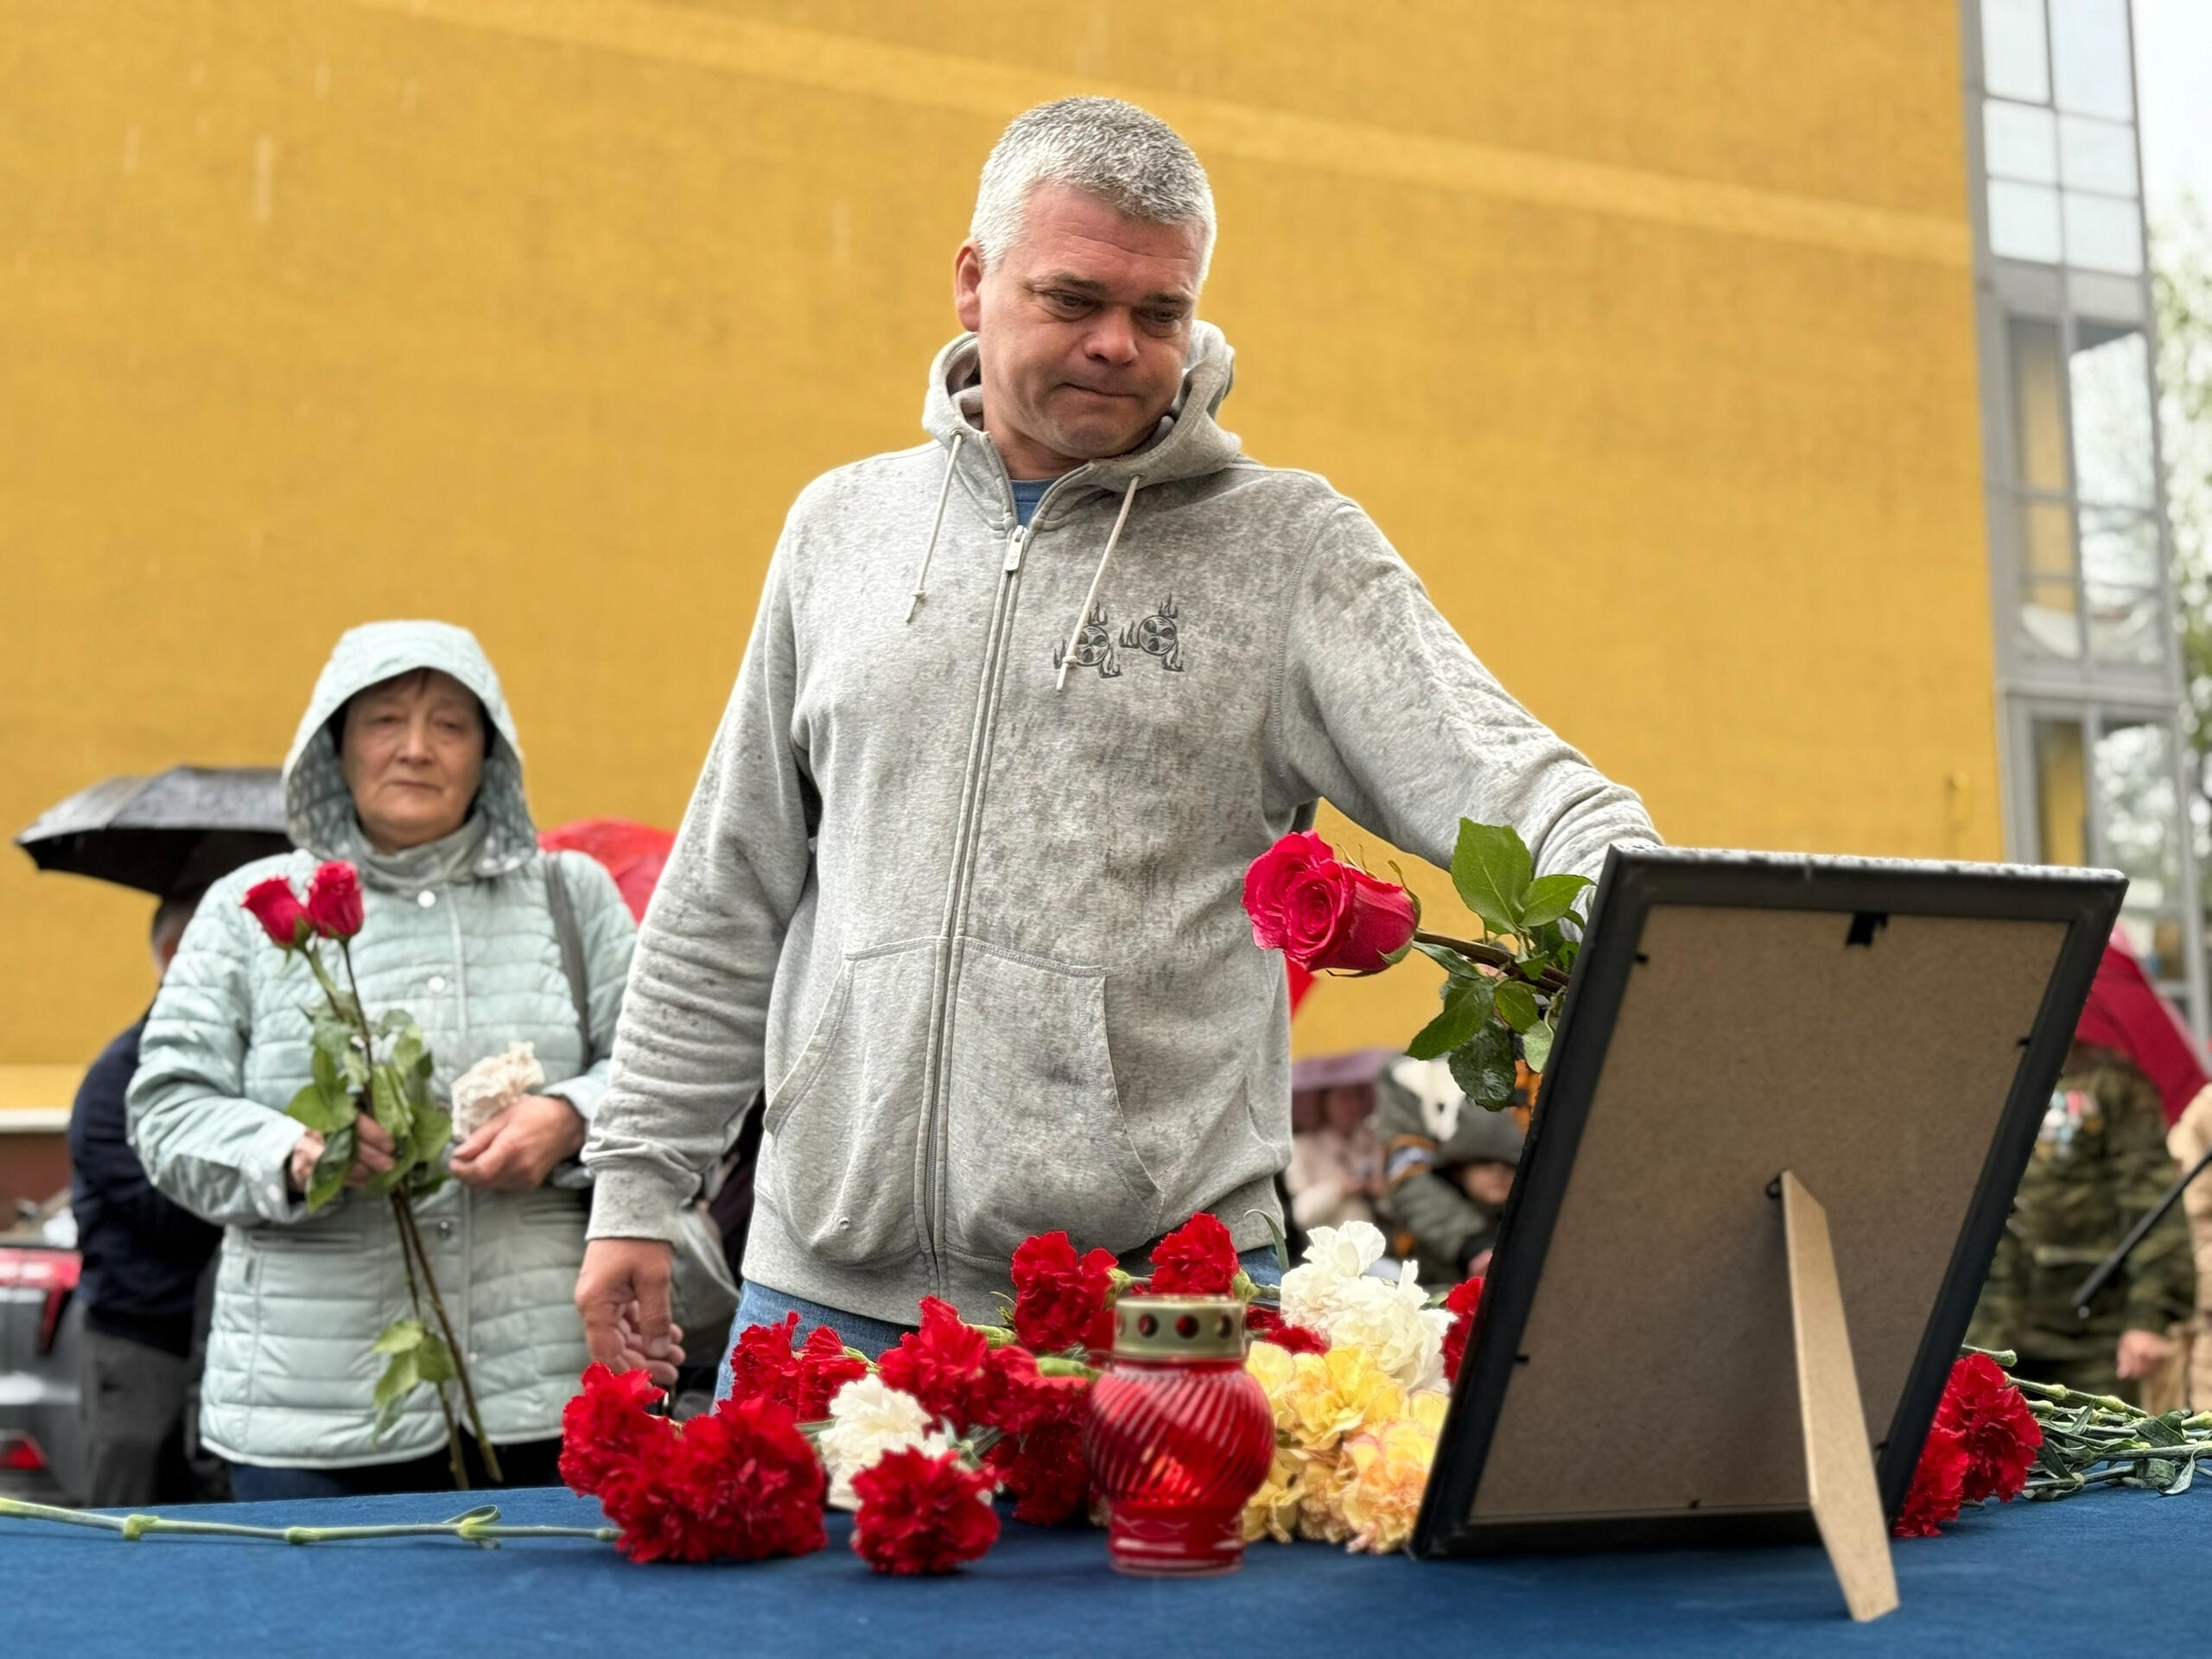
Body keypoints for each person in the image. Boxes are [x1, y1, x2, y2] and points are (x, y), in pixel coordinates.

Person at [575, 98, 1658, 1373]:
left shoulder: (1289, 552)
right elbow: (729, 888)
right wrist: (637, 1187)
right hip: (821, 1298)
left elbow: (1532, 794)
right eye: (1073, 298)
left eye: (1160, 313)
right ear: (972, 282)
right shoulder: (840, 531)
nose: (1117, 344)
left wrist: (1671, 947)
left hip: (1152, 1316)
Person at [128, 621, 653, 1498]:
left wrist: (567, 1119)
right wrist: (295, 1155)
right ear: (335, 745)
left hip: (540, 1392)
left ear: (490, 753)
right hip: (308, 1409)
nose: (416, 748)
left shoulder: (573, 897)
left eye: (450, 724)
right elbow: (167, 1109)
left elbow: (660, 1080)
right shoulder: (247, 910)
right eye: (383, 721)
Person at [67, 889, 225, 1507]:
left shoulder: (226, 1065)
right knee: (129, 1521)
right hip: (145, 1347)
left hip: (221, 1344)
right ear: (178, 951)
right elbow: (168, 1211)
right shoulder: (118, 1080)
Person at [1968, 1043, 2197, 1405]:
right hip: (1978, 1325)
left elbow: (2152, 1203)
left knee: (2098, 1437)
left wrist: (2149, 1316)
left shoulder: (2108, 1080)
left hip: (2086, 1335)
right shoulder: (1966, 1074)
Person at [1372, 1055, 1524, 1287]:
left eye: (1506, 1165)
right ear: (1459, 1170)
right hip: (1434, 1266)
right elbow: (1407, 1178)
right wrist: (1474, 1244)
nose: (1497, 1171)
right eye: (1484, 1163)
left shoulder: (1536, 1067)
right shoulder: (1412, 1075)